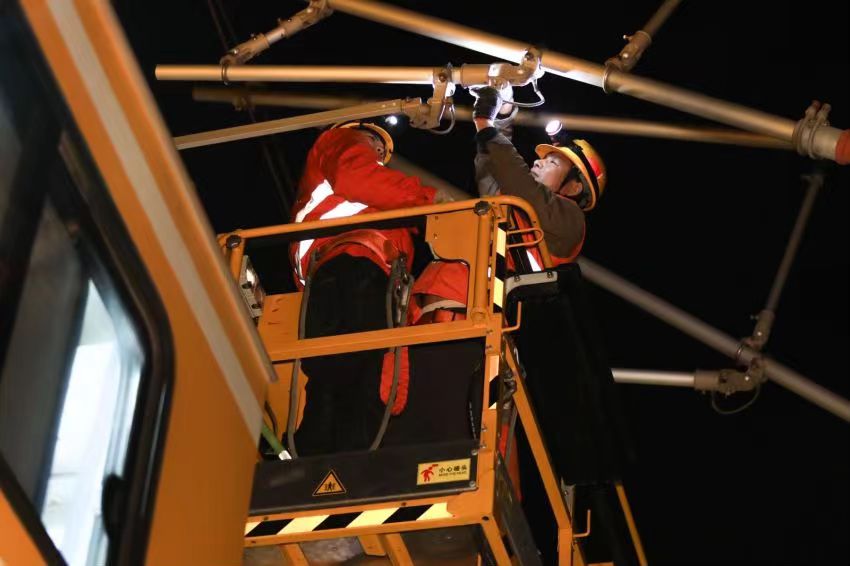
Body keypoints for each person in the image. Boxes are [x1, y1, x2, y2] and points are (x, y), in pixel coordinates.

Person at [289, 121, 453, 455]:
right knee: (355, 368)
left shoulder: (376, 198)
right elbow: (358, 176)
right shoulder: (342, 142)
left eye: (381, 149)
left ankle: (325, 461)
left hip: (350, 269)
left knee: (347, 374)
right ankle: (337, 462)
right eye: (374, 142)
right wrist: (429, 199)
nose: (378, 152)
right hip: (353, 261)